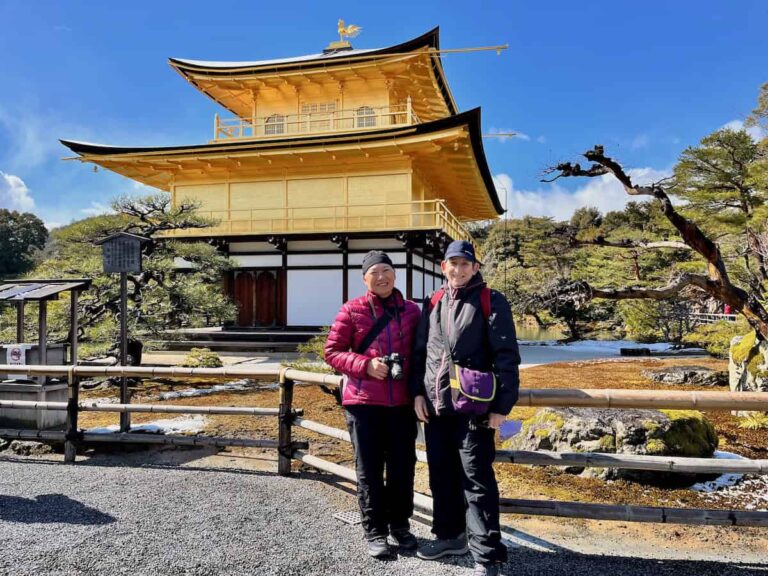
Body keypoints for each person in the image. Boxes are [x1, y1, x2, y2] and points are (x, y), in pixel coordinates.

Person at [409, 240, 521, 576]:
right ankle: (449, 536)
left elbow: (507, 356)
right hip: (437, 406)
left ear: (475, 268)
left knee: (477, 480)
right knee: (441, 475)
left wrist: (502, 407)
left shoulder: (491, 300)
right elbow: (421, 353)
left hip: (474, 409)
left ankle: (488, 555)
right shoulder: (434, 301)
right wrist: (418, 393)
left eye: (464, 264)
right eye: (452, 264)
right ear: (443, 267)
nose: (458, 270)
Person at [324, 250, 422, 559]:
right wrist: (365, 365)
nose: (381, 277)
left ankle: (400, 525)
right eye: (374, 273)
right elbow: (332, 352)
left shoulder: (412, 312)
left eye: (386, 271)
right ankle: (375, 530)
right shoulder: (351, 310)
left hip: (402, 404)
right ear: (365, 278)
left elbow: (423, 353)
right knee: (368, 470)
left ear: (395, 274)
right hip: (364, 404)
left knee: (403, 468)